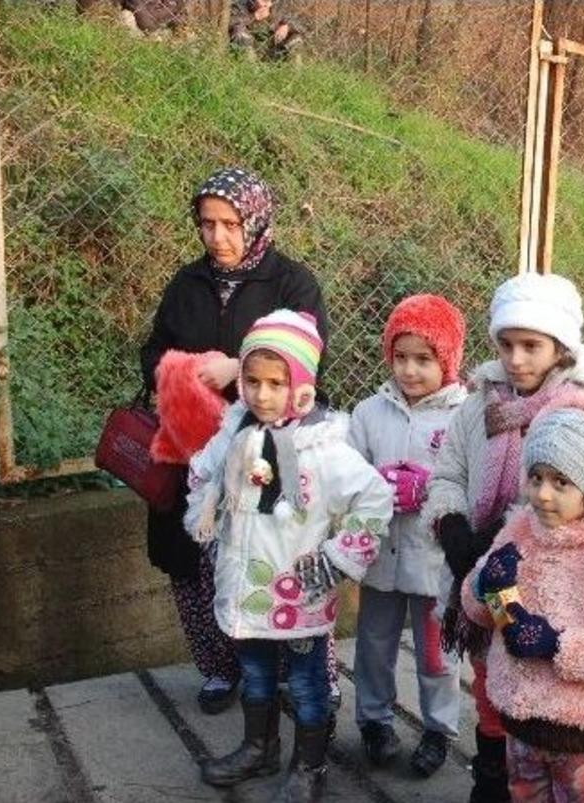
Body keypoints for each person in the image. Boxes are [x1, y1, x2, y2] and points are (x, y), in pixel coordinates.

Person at [140, 167, 329, 715]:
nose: (217, 237)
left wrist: (239, 367)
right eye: (207, 224)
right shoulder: (186, 283)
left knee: (267, 561)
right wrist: (186, 370)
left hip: (265, 452)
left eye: (229, 224)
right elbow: (152, 352)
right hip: (191, 451)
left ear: (256, 220)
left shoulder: (291, 283)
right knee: (195, 565)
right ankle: (219, 669)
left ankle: (289, 674)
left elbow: (312, 356)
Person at [185, 309, 393, 803]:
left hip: (298, 592)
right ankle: (260, 746)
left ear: (300, 385)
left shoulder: (322, 446)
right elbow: (202, 473)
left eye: (276, 383)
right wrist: (210, 525)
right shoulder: (234, 431)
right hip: (246, 588)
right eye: (251, 381)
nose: (261, 394)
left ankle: (310, 764)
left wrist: (339, 557)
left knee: (304, 682)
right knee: (255, 673)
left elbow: (375, 497)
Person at [422, 272, 584, 803]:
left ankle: (541, 779)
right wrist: (453, 524)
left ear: (561, 346)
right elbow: (447, 472)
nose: (516, 358)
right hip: (478, 574)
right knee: (486, 681)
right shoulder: (478, 404)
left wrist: (504, 538)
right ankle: (490, 779)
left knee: (530, 688)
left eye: (531, 346)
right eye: (506, 344)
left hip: (549, 588)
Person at [460, 388, 584, 803]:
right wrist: (485, 587)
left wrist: (558, 644)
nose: (542, 494)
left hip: (581, 731)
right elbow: (479, 610)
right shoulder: (521, 529)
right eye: (535, 478)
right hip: (519, 719)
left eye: (561, 481)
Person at [348, 295, 468, 778]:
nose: (410, 370)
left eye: (424, 359)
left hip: (434, 562)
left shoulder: (464, 415)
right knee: (373, 645)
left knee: (437, 654)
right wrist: (376, 484)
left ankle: (438, 728)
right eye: (401, 357)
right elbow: (347, 474)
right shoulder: (368, 412)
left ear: (448, 360)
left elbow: (468, 481)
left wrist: (431, 486)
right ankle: (374, 720)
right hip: (379, 556)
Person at [229, 0, 303, 61]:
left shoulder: (280, 5)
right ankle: (250, 71)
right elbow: (230, 23)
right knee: (239, 31)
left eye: (267, 1)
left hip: (274, 49)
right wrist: (253, 16)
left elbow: (302, 27)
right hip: (250, 49)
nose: (266, 4)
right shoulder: (240, 5)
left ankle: (295, 76)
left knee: (296, 39)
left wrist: (286, 26)